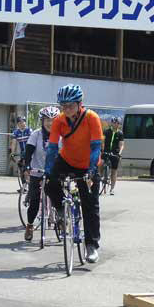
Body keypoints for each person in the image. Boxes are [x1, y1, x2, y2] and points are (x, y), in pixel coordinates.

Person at [44, 84, 103, 264]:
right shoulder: (59, 121)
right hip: (67, 160)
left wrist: (92, 170)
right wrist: (48, 170)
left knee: (90, 204)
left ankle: (91, 245)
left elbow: (95, 147)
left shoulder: (92, 118)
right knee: (49, 184)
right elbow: (53, 147)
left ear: (79, 104)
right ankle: (62, 209)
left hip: (88, 163)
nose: (66, 109)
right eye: (63, 106)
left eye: (70, 105)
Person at [22, 106, 60, 242]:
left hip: (54, 172)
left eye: (53, 120)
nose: (50, 123)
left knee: (58, 197)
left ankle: (61, 218)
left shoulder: (61, 135)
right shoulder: (36, 134)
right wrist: (26, 166)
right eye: (47, 120)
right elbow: (29, 151)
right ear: (42, 121)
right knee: (34, 201)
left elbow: (64, 154)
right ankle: (30, 225)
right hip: (37, 170)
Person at [102, 116, 125, 195]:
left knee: (114, 171)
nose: (116, 124)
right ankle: (101, 182)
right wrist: (102, 150)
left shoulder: (120, 133)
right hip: (106, 151)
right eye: (114, 123)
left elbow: (121, 145)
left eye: (118, 123)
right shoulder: (106, 131)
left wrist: (119, 153)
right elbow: (103, 141)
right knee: (100, 165)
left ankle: (112, 188)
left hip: (115, 153)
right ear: (111, 123)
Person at [11, 116, 32, 191]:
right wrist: (12, 152)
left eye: (23, 122)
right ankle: (24, 186)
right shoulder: (16, 132)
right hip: (23, 153)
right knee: (21, 168)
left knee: (28, 168)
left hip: (31, 152)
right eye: (20, 122)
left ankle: (32, 185)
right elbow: (14, 142)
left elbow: (31, 141)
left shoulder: (29, 130)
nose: (22, 124)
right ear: (18, 124)